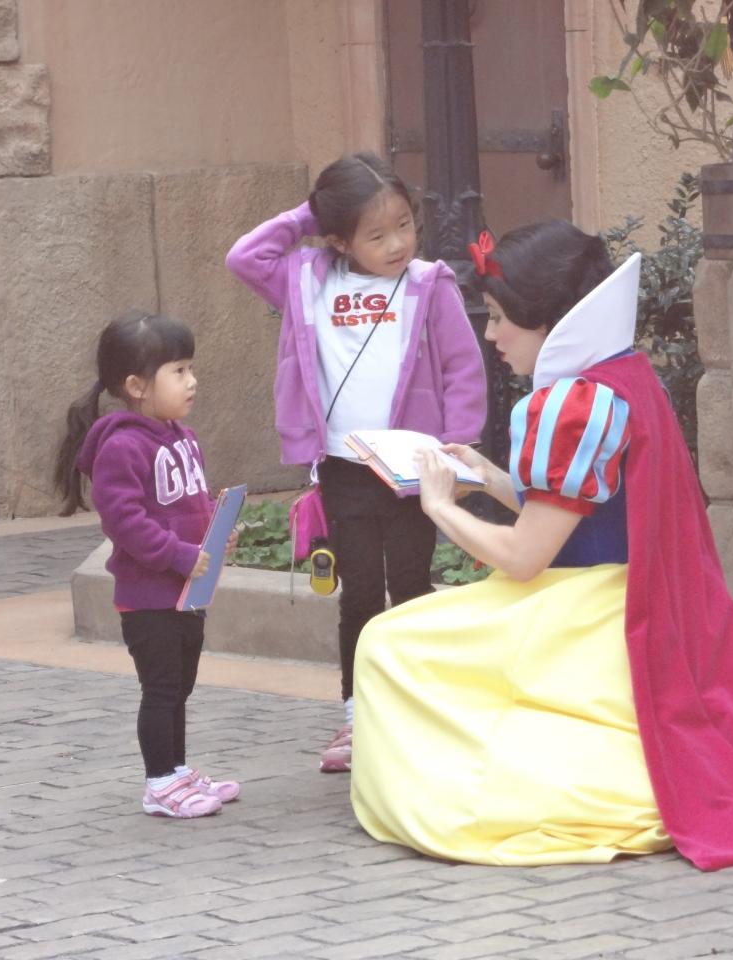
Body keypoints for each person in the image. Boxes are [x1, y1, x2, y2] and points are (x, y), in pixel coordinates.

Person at [349, 221, 733, 870]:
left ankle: (482, 792)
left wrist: (439, 505)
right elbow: (583, 513)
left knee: (386, 645)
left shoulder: (572, 405)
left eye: (496, 318)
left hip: (594, 610)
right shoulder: (621, 378)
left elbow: (523, 557)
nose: (490, 336)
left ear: (543, 318)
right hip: (621, 593)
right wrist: (489, 478)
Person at [226, 153, 486, 772]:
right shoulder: (307, 279)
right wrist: (310, 214)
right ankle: (358, 717)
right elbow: (244, 258)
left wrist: (457, 446)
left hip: (414, 467)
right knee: (360, 593)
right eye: (376, 234)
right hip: (345, 468)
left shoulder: (429, 284)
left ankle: (421, 711)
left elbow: (462, 366)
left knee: (413, 589)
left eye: (404, 225)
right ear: (339, 238)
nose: (397, 243)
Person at [54, 311, 240, 819]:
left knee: (180, 685)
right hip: (148, 598)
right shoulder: (121, 446)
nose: (191, 380)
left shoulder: (183, 437)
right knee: (160, 689)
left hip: (187, 593)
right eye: (178, 371)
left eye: (190, 368)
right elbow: (125, 522)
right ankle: (159, 783)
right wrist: (179, 555)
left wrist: (217, 529)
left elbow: (188, 504)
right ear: (136, 386)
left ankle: (177, 770)